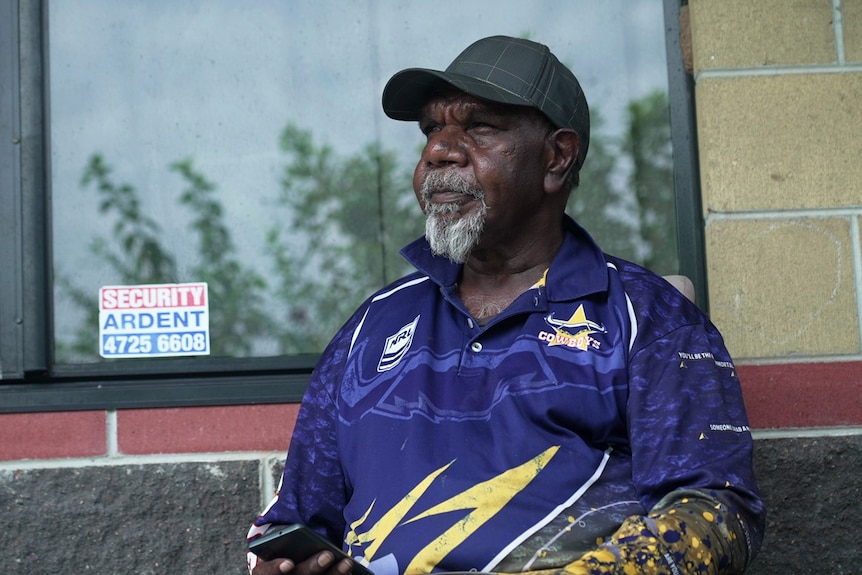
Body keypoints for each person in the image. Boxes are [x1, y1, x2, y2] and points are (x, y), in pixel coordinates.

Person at [247, 35, 765, 575]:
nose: (439, 151)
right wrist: (284, 561)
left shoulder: (647, 318)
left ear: (557, 157)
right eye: (431, 130)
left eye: (479, 127)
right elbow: (291, 521)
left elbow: (717, 510)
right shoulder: (373, 327)